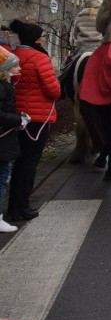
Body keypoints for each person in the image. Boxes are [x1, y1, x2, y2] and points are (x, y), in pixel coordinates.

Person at [6, 19, 60, 222]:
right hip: (36, 119)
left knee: (18, 162)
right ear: (35, 40)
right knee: (29, 163)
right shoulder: (40, 58)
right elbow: (53, 90)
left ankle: (12, 206)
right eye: (42, 37)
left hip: (16, 117)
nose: (44, 39)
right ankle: (21, 207)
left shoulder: (13, 56)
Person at [0, 46, 29, 232]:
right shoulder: (5, 88)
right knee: (2, 177)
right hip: (3, 139)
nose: (19, 70)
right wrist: (20, 120)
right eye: (15, 66)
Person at [58, 0, 104, 91]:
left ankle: (61, 88)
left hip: (82, 47)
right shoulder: (100, 16)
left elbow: (75, 33)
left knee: (66, 65)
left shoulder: (80, 15)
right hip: (97, 47)